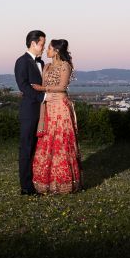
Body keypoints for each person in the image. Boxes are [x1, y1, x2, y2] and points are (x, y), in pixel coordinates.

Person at [31, 38, 82, 194]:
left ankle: (64, 183)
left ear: (57, 51)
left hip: (60, 107)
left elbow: (62, 86)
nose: (47, 51)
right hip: (48, 106)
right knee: (47, 140)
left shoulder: (65, 66)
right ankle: (45, 182)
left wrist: (42, 88)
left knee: (61, 140)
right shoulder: (46, 66)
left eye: (50, 48)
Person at [14, 30, 46, 195]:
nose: (43, 47)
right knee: (26, 148)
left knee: (39, 148)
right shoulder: (21, 61)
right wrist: (43, 96)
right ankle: (26, 187)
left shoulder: (41, 63)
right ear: (33, 43)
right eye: (42, 44)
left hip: (42, 110)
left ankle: (39, 180)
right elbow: (23, 86)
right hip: (29, 110)